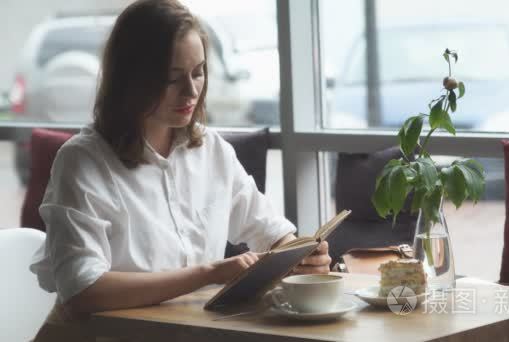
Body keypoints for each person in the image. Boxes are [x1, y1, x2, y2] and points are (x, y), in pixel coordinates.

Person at [30, 0, 331, 340]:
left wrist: (302, 256)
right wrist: (207, 273)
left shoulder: (211, 150)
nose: (191, 91)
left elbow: (270, 232)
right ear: (131, 79)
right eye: (172, 79)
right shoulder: (83, 162)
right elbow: (83, 292)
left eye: (198, 72)